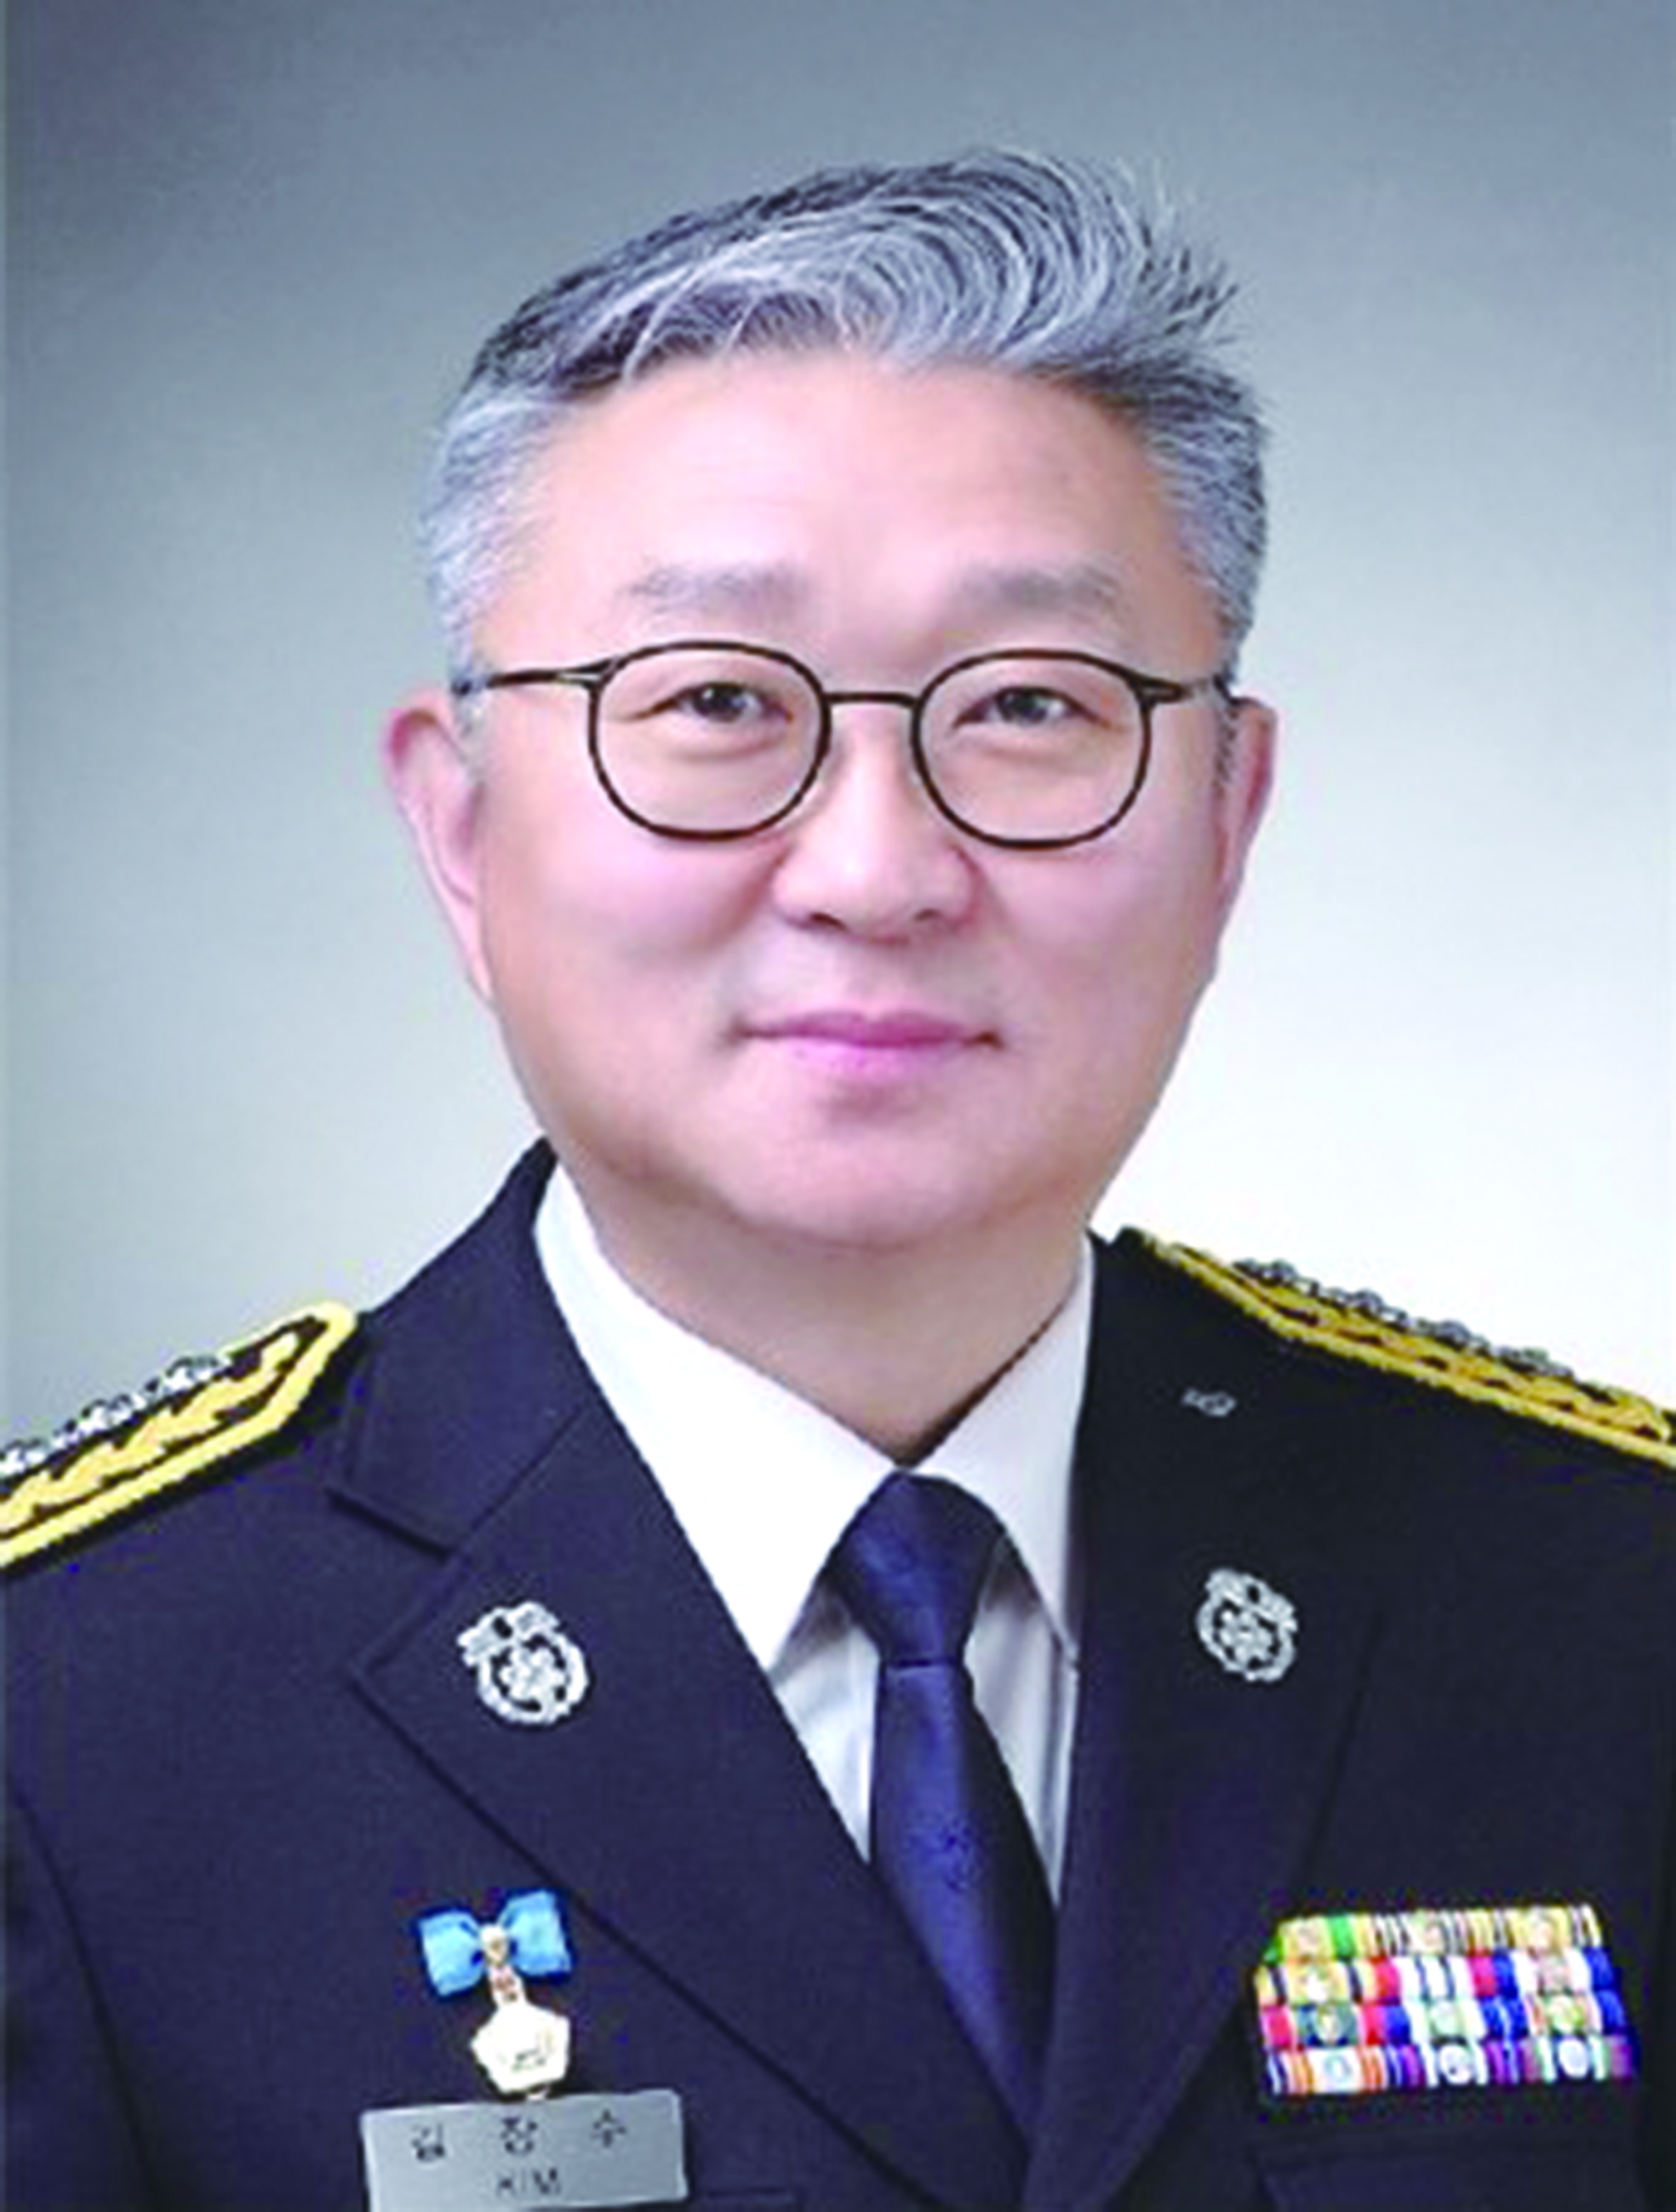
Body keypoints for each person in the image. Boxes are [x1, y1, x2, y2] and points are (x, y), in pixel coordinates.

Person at [5, 152, 1673, 2212]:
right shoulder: (72, 1702)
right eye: (714, 702)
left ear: (1230, 823)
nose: (877, 872)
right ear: (460, 830)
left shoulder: (1602, 1605)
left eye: (1033, 706)